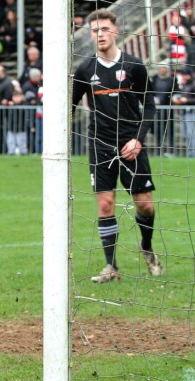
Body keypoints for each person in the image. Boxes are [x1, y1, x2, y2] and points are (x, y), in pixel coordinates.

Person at [72, 8, 162, 283]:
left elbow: (149, 106)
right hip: (100, 144)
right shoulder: (86, 69)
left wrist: (138, 139)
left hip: (131, 144)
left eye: (104, 29)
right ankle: (111, 267)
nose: (100, 34)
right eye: (95, 30)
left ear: (116, 30)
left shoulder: (134, 66)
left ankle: (146, 247)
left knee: (145, 205)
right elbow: (69, 106)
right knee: (105, 204)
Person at [171, 67, 195, 157]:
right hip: (184, 112)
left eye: (186, 75)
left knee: (191, 134)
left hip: (192, 112)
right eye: (183, 75)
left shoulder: (193, 84)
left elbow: (189, 98)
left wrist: (187, 99)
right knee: (186, 134)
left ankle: (193, 154)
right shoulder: (183, 85)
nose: (184, 77)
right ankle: (190, 154)